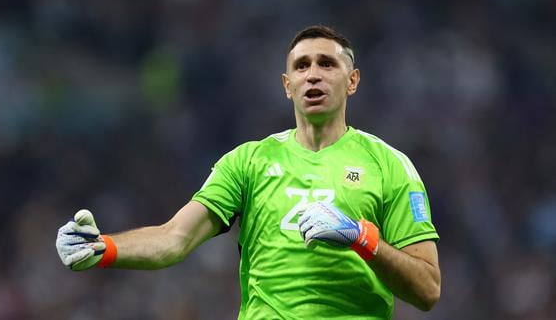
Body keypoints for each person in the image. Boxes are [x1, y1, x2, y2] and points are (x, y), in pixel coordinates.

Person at [56, 25, 441, 319]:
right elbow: (173, 238)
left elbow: (427, 289)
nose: (313, 75)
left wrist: (363, 239)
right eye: (301, 66)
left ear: (352, 80)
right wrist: (104, 247)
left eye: (327, 64)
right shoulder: (248, 162)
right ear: (287, 86)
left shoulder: (390, 165)